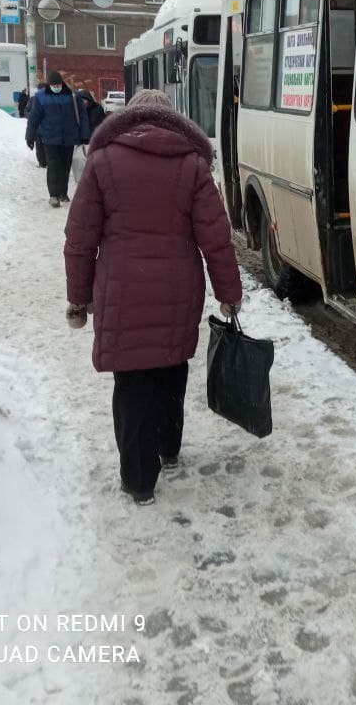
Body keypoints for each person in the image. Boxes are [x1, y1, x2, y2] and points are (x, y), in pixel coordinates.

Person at [63, 88, 243, 506]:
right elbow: (217, 240)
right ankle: (169, 447)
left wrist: (78, 297)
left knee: (132, 382)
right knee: (169, 364)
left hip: (122, 287)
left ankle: (139, 480)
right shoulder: (193, 164)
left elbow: (79, 239)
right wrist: (229, 294)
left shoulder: (103, 161)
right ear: (172, 121)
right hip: (177, 286)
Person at [26, 71, 88, 205]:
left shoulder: (72, 96)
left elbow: (82, 116)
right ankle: (53, 195)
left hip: (69, 138)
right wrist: (30, 137)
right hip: (50, 138)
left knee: (65, 166)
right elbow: (34, 118)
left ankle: (63, 193)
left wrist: (84, 135)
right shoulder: (41, 97)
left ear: (62, 83)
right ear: (49, 85)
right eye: (54, 85)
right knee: (53, 165)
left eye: (58, 84)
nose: (56, 87)